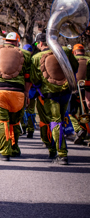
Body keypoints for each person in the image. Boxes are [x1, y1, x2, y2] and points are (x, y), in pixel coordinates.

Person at [0, 32, 32, 161]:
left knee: (1, 121)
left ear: (5, 41)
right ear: (17, 42)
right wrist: (26, 94)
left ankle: (4, 152)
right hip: (18, 93)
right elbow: (29, 78)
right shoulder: (26, 54)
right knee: (14, 122)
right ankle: (14, 148)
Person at [30, 33, 78, 165]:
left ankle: (61, 154)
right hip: (66, 91)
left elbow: (34, 79)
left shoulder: (36, 57)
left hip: (50, 95)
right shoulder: (66, 51)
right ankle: (58, 150)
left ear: (40, 43)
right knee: (60, 121)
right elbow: (75, 67)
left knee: (55, 122)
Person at [70, 44, 90, 144]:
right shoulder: (88, 60)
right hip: (87, 89)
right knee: (85, 113)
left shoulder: (72, 59)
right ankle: (86, 133)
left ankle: (78, 130)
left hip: (74, 89)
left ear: (74, 51)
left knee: (71, 112)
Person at [22, 44, 37, 138]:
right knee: (31, 111)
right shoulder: (34, 61)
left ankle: (23, 127)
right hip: (32, 90)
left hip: (22, 89)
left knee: (21, 109)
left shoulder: (20, 61)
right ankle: (30, 130)